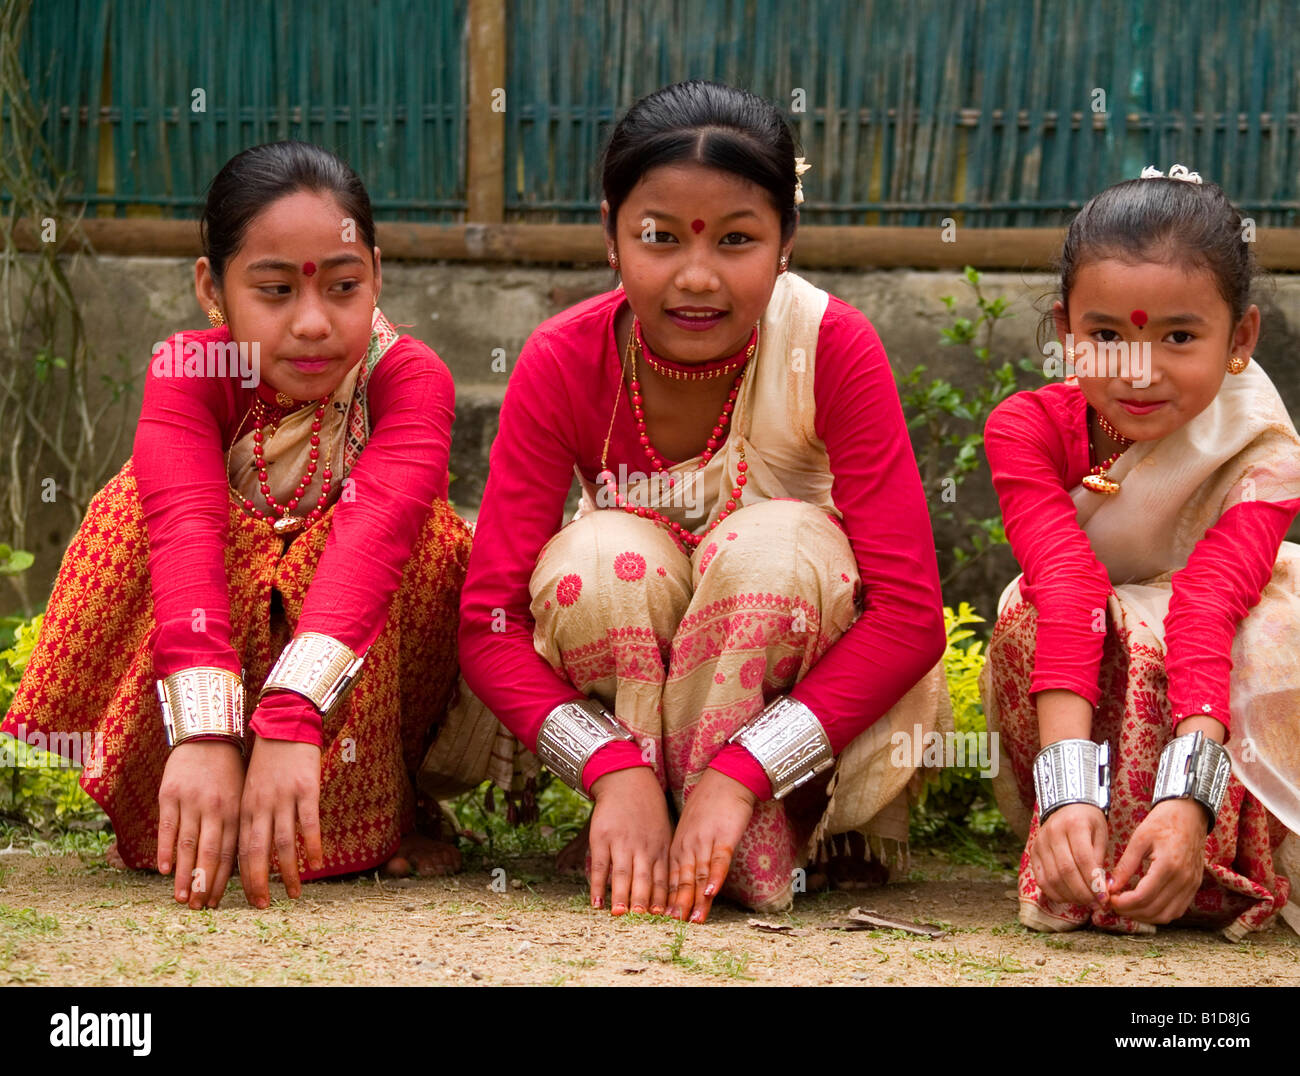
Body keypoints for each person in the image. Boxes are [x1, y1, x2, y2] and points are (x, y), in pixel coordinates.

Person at [455, 80, 950, 923]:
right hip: (628, 743)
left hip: (790, 715)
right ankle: (643, 815)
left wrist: (739, 771)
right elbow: (488, 622)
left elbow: (908, 616)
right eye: (658, 237)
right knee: (600, 559)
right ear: (610, 233)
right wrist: (612, 768)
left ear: (786, 242)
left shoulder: (830, 348)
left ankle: (771, 820)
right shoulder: (561, 360)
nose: (696, 276)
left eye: (736, 239)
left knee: (774, 545)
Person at [3, 141, 471, 910]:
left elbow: (374, 535)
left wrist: (291, 715)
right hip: (209, 654)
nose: (314, 323)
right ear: (211, 289)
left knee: (427, 542)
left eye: (344, 288)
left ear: (377, 276)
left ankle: (390, 803)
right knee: (135, 511)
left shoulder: (408, 377)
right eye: (275, 291)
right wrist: (207, 733)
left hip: (345, 665)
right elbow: (185, 531)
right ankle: (192, 797)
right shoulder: (189, 371)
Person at [980, 165, 1300, 940]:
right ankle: (1077, 839)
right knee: (1029, 606)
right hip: (1077, 686)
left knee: (1265, 631)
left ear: (1242, 338)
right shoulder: (1026, 429)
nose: (1140, 371)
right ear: (1065, 335)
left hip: (1213, 677)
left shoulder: (1258, 449)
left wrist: (1189, 796)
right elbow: (1066, 585)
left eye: (1180, 336)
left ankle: (1216, 855)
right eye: (1107, 336)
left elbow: (1210, 599)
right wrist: (1063, 791)